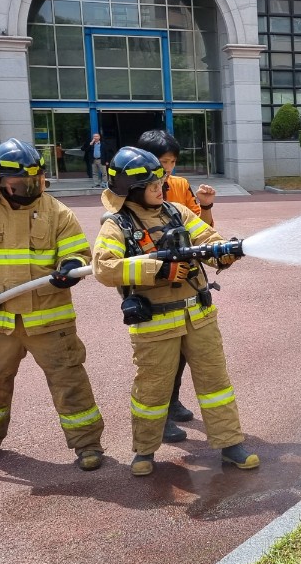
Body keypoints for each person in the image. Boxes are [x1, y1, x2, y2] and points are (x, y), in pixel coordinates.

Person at [91, 146, 258, 477]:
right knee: (151, 390)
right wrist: (159, 271)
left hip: (199, 316)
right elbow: (104, 268)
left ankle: (230, 445)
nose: (161, 188)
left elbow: (208, 241)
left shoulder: (177, 212)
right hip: (154, 324)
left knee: (216, 382)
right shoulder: (117, 225)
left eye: (161, 182)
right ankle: (144, 451)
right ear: (133, 190)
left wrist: (225, 253)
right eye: (154, 184)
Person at [0, 138, 105, 471]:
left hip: (50, 321)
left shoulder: (57, 212)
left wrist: (70, 268)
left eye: (37, 181)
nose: (32, 188)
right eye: (22, 183)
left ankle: (88, 445)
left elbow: (78, 252)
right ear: (1, 179)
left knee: (69, 381)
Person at [134, 129, 217, 444]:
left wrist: (206, 206)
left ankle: (173, 400)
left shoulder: (181, 187)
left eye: (171, 161)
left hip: (187, 281)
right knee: (159, 356)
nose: (167, 168)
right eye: (161, 161)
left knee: (184, 350)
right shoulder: (129, 190)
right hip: (153, 285)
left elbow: (205, 234)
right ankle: (161, 415)